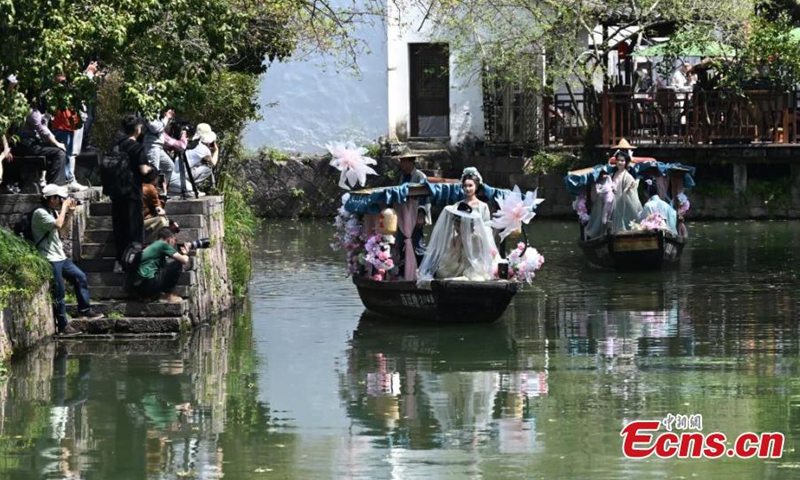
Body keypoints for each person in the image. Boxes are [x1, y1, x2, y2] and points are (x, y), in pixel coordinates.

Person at [32, 184, 103, 333]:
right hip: (49, 258)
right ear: (51, 199)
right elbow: (58, 224)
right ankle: (63, 325)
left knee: (80, 277)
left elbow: (63, 232)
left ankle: (84, 310)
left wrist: (69, 213)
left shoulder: (52, 212)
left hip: (60, 256)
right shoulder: (40, 213)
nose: (60, 201)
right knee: (60, 291)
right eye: (59, 198)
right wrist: (64, 208)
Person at [417, 167, 498, 281]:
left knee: (479, 271)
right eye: (465, 186)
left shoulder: (482, 206)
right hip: (460, 240)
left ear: (476, 186)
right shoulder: (458, 205)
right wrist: (459, 230)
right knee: (446, 266)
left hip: (476, 240)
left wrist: (475, 233)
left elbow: (486, 227)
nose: (468, 188)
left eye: (470, 186)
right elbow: (453, 223)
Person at [112, 115, 153, 265]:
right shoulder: (137, 147)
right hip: (132, 194)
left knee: (120, 228)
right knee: (134, 230)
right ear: (137, 129)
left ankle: (120, 262)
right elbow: (143, 170)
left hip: (116, 193)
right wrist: (150, 168)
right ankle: (134, 262)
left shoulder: (116, 145)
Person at [14, 100, 67, 186]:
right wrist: (57, 143)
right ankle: (55, 186)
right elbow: (42, 130)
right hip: (27, 145)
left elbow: (44, 128)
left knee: (53, 151)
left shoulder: (22, 108)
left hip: (25, 144)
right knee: (59, 153)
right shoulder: (32, 111)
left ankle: (49, 183)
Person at [131, 227, 190, 303]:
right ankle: (167, 296)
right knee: (177, 264)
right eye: (175, 240)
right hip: (147, 285)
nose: (174, 243)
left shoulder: (152, 245)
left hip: (138, 287)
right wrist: (185, 254)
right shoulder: (163, 245)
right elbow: (184, 260)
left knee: (163, 267)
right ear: (170, 239)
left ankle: (151, 296)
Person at [395, 148, 430, 265]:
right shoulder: (403, 176)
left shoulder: (420, 176)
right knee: (400, 242)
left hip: (416, 214)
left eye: (403, 161)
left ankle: (422, 269)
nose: (401, 163)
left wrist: (421, 214)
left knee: (417, 243)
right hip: (405, 214)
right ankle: (403, 269)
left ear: (410, 161)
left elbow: (425, 197)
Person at [143, 108, 187, 194]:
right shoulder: (148, 111)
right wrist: (166, 118)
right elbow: (155, 128)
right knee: (152, 172)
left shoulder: (157, 115)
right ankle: (151, 195)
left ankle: (161, 191)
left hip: (159, 146)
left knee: (169, 166)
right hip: (152, 145)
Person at [168, 123, 217, 196]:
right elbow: (213, 163)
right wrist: (216, 150)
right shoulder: (204, 149)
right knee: (208, 168)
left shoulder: (189, 142)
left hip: (171, 174)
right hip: (179, 176)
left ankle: (186, 186)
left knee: (194, 166)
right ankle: (192, 188)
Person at [609, 147, 643, 233]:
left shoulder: (628, 176)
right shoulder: (612, 174)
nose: (620, 162)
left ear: (626, 162)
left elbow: (631, 191)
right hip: (613, 202)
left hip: (622, 203)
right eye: (618, 160)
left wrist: (628, 190)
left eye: (622, 160)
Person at [142, 169, 169, 244]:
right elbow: (160, 210)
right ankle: (154, 245)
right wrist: (164, 192)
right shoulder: (150, 188)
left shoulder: (139, 186)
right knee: (163, 220)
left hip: (130, 224)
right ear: (154, 178)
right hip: (140, 224)